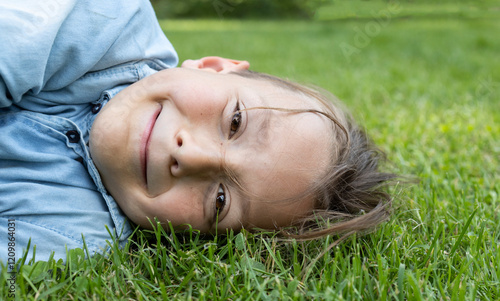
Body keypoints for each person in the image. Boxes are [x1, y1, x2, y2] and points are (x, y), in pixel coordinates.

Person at [0, 0, 393, 265]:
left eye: (220, 200)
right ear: (214, 66)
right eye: (235, 122)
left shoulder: (73, 236)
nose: (192, 156)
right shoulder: (110, 18)